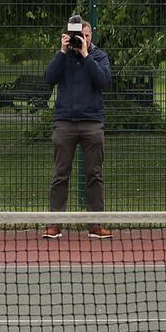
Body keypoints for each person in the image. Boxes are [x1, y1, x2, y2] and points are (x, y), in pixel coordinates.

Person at [42, 17, 113, 239]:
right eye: (78, 35)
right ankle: (55, 223)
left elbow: (103, 80)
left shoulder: (98, 56)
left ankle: (95, 224)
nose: (81, 39)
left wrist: (85, 54)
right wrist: (62, 52)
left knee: (94, 174)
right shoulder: (63, 56)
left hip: (92, 122)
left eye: (86, 35)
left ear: (91, 37)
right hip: (65, 122)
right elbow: (48, 78)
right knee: (60, 173)